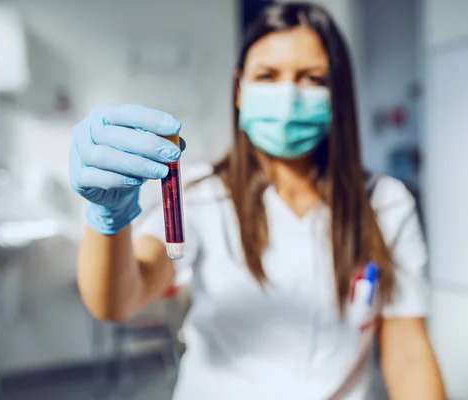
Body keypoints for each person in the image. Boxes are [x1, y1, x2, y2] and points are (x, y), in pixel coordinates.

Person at [69, 2, 446, 399]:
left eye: (311, 78)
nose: (288, 95)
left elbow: (408, 350)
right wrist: (107, 218)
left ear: (338, 94)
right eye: (267, 76)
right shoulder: (200, 194)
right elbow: (119, 300)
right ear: (239, 90)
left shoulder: (385, 203)